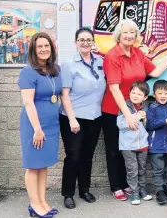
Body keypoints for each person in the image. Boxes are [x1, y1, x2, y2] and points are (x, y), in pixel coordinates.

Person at [102, 19, 167, 201]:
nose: (129, 36)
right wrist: (128, 115)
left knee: (133, 148)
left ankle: (131, 186)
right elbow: (114, 88)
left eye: (133, 33)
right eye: (125, 33)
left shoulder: (137, 52)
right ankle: (117, 186)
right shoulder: (112, 56)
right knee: (115, 149)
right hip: (115, 110)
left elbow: (154, 72)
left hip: (137, 109)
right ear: (118, 36)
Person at [59, 28, 106, 209]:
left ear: (93, 42)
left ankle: (84, 189)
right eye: (81, 40)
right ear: (76, 42)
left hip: (95, 117)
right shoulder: (69, 64)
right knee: (74, 155)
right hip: (74, 117)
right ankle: (68, 193)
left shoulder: (100, 61)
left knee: (87, 156)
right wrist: (72, 119)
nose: (85, 43)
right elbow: (65, 94)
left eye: (88, 40)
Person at [18, 32, 62, 218]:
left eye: (47, 46)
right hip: (35, 125)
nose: (44, 49)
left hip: (51, 124)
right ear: (33, 50)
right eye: (39, 47)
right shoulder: (28, 71)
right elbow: (28, 102)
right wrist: (37, 129)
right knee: (33, 165)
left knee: (43, 164)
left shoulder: (55, 69)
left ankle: (43, 201)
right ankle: (34, 204)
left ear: (51, 49)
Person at [117, 81, 153, 205]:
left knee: (142, 168)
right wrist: (136, 116)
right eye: (133, 92)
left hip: (142, 144)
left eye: (139, 93)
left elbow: (149, 126)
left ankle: (142, 190)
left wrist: (145, 119)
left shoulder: (147, 107)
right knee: (132, 169)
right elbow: (120, 124)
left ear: (145, 97)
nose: (135, 95)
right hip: (127, 146)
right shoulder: (125, 107)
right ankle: (134, 192)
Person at [146, 80, 167, 205]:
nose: (163, 95)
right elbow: (149, 125)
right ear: (154, 94)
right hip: (156, 145)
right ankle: (159, 191)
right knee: (158, 169)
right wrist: (163, 121)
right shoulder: (151, 107)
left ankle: (166, 187)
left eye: (165, 93)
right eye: (159, 93)